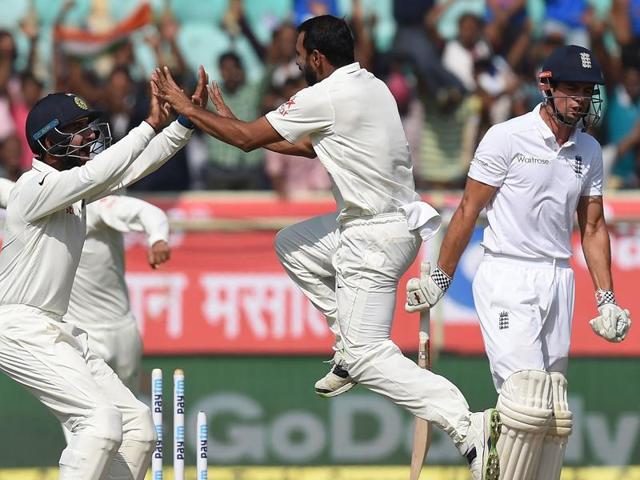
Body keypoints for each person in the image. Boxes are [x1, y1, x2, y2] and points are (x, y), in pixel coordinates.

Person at [153, 15, 500, 479]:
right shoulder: (372, 86)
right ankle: (346, 346)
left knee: (369, 354)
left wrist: (186, 108)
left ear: (317, 58)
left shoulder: (326, 96)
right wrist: (238, 126)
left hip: (371, 238)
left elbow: (244, 141)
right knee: (292, 244)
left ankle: (467, 426)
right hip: (383, 226)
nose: (297, 63)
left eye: (300, 56)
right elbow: (311, 148)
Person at [405, 45, 632, 480]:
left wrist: (606, 299)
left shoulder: (589, 150)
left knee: (552, 412)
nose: (582, 100)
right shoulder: (507, 136)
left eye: (588, 91)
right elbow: (469, 208)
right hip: (508, 272)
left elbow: (593, 226)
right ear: (546, 86)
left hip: (558, 278)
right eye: (573, 90)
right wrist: (439, 278)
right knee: (524, 401)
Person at [0, 67, 203, 479]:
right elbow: (101, 172)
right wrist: (147, 124)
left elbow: (130, 169)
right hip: (17, 326)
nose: (90, 136)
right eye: (77, 130)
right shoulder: (34, 188)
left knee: (138, 429)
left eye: (90, 126)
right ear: (48, 141)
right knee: (99, 425)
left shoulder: (75, 193)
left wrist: (183, 123)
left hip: (56, 326)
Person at [63, 194, 171, 392]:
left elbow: (147, 212)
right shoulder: (39, 198)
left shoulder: (93, 205)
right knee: (86, 414)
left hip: (122, 330)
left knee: (130, 414)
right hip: (79, 331)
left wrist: (157, 238)